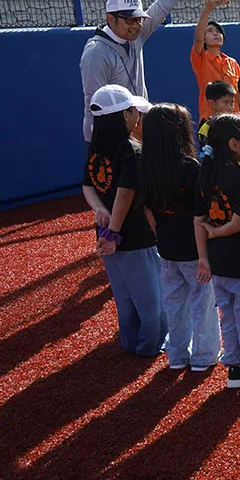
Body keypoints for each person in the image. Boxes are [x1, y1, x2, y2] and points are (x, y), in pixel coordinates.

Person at [80, 0, 198, 149]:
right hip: (114, 138)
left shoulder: (137, 34)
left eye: (139, 19)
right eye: (129, 20)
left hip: (141, 128)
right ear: (110, 19)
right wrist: (97, 145)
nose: (136, 25)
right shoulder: (96, 53)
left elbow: (161, 7)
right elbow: (95, 104)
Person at [81, 85, 165, 357]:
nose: (136, 116)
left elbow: (87, 185)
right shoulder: (131, 149)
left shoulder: (96, 145)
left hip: (106, 232)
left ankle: (130, 342)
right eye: (131, 111)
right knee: (151, 298)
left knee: (124, 295)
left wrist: (99, 212)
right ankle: (150, 346)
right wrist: (113, 233)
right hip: (133, 235)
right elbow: (126, 193)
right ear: (124, 115)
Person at [140, 103, 222, 371]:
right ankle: (204, 356)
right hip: (193, 249)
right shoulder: (190, 167)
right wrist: (204, 254)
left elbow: (148, 211)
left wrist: (161, 237)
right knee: (203, 304)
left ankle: (176, 356)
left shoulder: (145, 167)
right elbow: (200, 215)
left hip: (166, 248)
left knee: (174, 305)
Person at [195, 114, 240, 389]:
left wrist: (204, 256)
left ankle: (235, 366)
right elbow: (237, 224)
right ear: (234, 144)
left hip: (219, 262)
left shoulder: (206, 173)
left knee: (228, 315)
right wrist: (216, 231)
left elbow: (197, 219)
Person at [190, 0, 240, 122]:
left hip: (235, 119)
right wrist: (207, 9)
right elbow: (197, 39)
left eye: (218, 31)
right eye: (210, 31)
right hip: (211, 120)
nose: (216, 33)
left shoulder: (232, 63)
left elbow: (239, 93)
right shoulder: (201, 59)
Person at [197, 81, 238, 148]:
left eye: (232, 102)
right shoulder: (206, 129)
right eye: (225, 102)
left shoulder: (238, 125)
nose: (230, 107)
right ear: (211, 103)